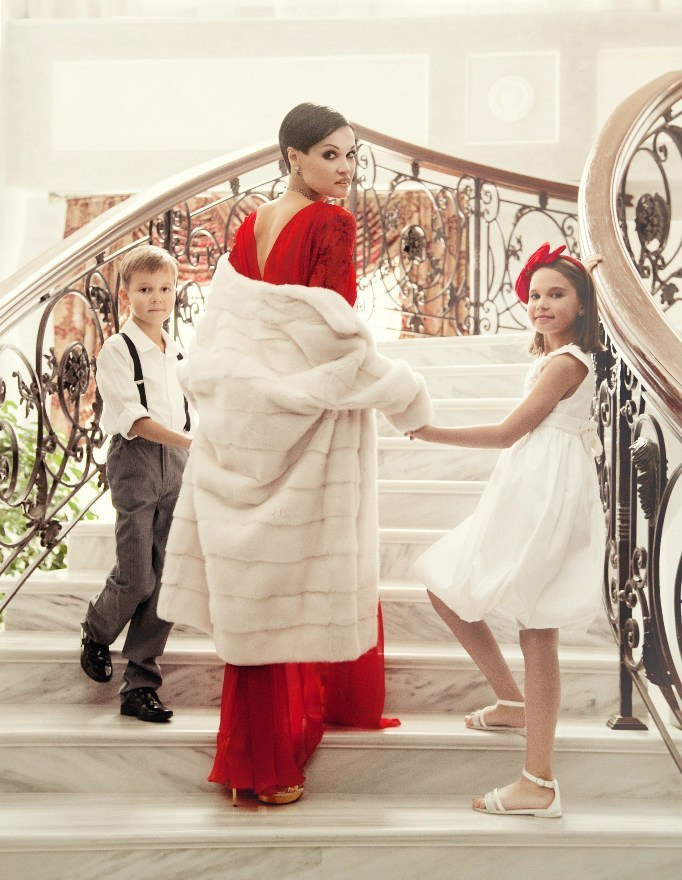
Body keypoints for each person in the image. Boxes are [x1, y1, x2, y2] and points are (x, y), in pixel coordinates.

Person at [158, 102, 433, 804]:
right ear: (293, 157)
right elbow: (335, 338)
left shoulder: (251, 224)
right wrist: (404, 397)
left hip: (253, 413)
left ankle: (261, 756)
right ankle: (273, 763)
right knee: (302, 571)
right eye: (330, 155)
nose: (345, 169)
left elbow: (239, 327)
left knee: (265, 590)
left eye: (350, 156)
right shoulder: (332, 224)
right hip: (310, 414)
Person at [410, 242, 604, 818]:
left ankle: (538, 782)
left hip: (548, 495)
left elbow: (507, 432)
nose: (541, 303)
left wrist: (428, 431)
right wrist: (580, 271)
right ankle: (512, 701)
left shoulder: (569, 364)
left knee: (537, 626)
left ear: (582, 305)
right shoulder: (551, 358)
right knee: (446, 587)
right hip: (524, 489)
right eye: (535, 295)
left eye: (557, 294)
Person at [80, 245, 192, 722]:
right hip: (137, 460)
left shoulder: (177, 345)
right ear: (126, 296)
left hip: (180, 464)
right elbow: (133, 417)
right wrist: (190, 441)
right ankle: (97, 629)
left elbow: (191, 400)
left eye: (165, 289)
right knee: (138, 575)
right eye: (145, 290)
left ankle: (140, 685)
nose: (157, 299)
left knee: (167, 581)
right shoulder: (117, 349)